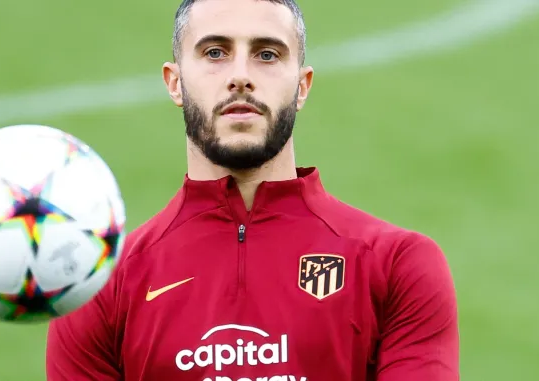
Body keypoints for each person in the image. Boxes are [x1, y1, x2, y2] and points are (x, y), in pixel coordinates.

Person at [46, 0, 460, 379]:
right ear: (175, 82)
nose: (240, 76)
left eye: (266, 54)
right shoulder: (101, 285)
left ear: (302, 86)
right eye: (215, 53)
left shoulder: (397, 265)